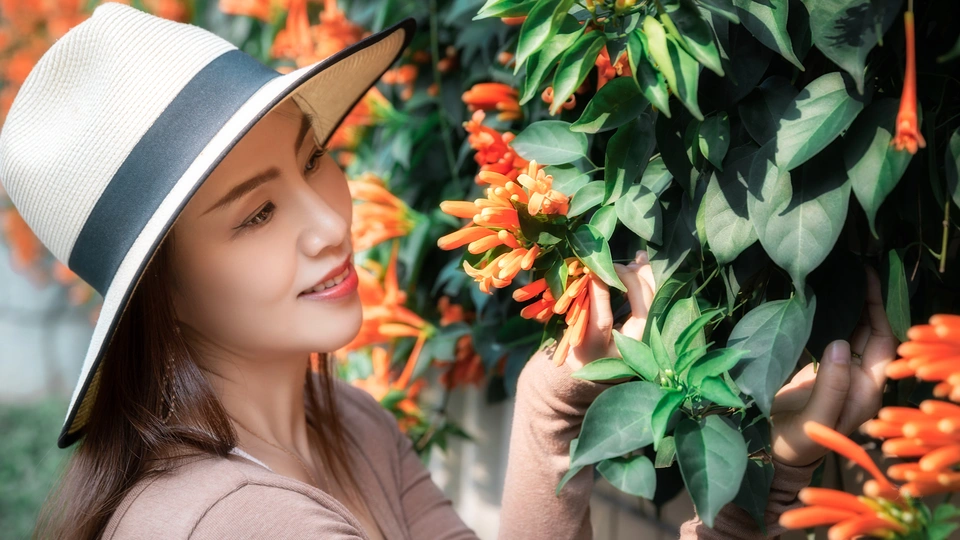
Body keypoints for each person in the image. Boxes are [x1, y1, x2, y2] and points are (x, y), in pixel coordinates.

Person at [0, 3, 898, 539]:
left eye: (314, 156)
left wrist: (551, 409)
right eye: (258, 214)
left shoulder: (338, 418)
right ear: (169, 294)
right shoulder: (236, 521)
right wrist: (762, 500)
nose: (328, 222)